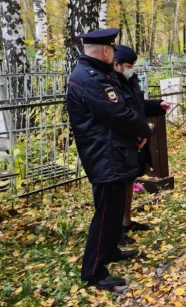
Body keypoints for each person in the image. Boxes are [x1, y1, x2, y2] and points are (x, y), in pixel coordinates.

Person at [67, 29, 152, 289]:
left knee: (113, 210)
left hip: (111, 151)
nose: (114, 53)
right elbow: (119, 114)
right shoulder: (92, 79)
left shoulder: (93, 74)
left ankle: (110, 251)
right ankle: (93, 272)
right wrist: (144, 129)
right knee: (105, 214)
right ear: (105, 51)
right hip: (105, 155)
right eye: (112, 49)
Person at [113, 46, 175, 246]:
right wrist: (142, 131)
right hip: (122, 141)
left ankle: (126, 222)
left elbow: (137, 105)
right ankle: (115, 231)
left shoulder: (129, 80)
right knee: (119, 187)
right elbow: (122, 113)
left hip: (134, 139)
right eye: (129, 66)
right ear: (117, 65)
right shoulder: (111, 84)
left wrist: (157, 105)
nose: (132, 69)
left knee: (130, 180)